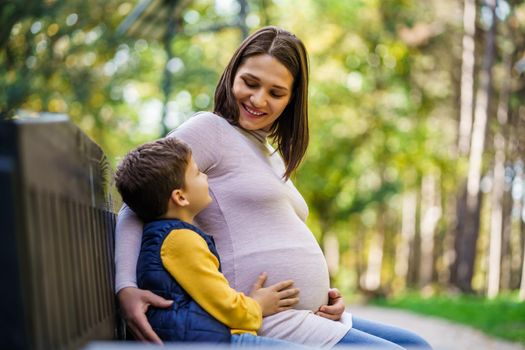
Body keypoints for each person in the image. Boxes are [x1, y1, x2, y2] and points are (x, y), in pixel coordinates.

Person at [115, 26, 432, 349]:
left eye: (276, 93)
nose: (258, 99)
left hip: (307, 314)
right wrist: (125, 287)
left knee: (416, 344)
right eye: (249, 83)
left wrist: (324, 294)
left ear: (292, 98)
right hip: (258, 316)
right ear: (232, 74)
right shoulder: (209, 130)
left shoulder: (269, 151)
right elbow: (136, 201)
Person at [114, 137, 305, 347]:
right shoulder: (181, 241)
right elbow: (226, 307)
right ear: (180, 197)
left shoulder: (169, 238)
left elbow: (207, 298)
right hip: (211, 342)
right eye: (197, 172)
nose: (205, 176)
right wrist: (258, 305)